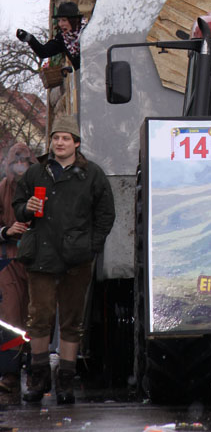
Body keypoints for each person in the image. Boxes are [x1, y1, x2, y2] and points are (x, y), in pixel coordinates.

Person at [13, 115, 115, 405]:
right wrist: (26, 209)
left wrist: (90, 247)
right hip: (41, 256)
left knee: (72, 321)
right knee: (39, 319)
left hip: (76, 259)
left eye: (65, 138)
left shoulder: (92, 174)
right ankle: (39, 377)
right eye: (56, 137)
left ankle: (66, 381)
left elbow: (105, 215)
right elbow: (18, 207)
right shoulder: (35, 173)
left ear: (76, 144)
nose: (59, 142)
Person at [0, 143, 37, 404]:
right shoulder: (2, 189)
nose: (21, 164)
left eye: (26, 160)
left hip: (37, 261)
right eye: (17, 160)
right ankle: (10, 373)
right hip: (9, 261)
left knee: (38, 317)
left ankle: (36, 370)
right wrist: (6, 232)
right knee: (11, 318)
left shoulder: (42, 189)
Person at [16, 2, 87, 71]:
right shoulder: (62, 38)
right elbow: (43, 52)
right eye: (59, 20)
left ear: (74, 20)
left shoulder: (88, 30)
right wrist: (30, 38)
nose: (60, 24)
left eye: (64, 20)